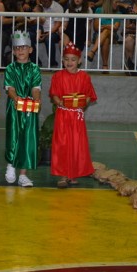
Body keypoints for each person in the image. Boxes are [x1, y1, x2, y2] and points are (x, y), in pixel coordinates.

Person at [49, 42, 97, 188]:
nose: (69, 62)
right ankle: (63, 175)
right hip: (63, 116)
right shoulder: (58, 76)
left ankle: (73, 173)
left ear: (79, 61)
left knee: (77, 144)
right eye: (66, 59)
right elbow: (54, 94)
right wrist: (59, 102)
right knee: (62, 144)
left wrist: (84, 104)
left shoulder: (84, 77)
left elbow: (88, 95)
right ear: (62, 60)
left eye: (73, 59)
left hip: (77, 117)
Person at [4, 30, 42, 187]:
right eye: (17, 48)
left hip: (29, 108)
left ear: (30, 50)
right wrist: (15, 98)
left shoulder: (34, 69)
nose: (20, 51)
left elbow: (35, 87)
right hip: (14, 108)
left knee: (28, 138)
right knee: (13, 136)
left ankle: (23, 174)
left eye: (24, 47)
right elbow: (10, 88)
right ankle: (11, 165)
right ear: (13, 51)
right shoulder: (10, 68)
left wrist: (36, 98)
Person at [87, 0, 121, 72]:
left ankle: (92, 52)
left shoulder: (118, 13)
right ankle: (105, 65)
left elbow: (115, 27)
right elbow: (96, 27)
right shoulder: (99, 10)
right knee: (105, 39)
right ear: (109, 2)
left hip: (113, 36)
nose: (118, 4)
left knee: (106, 31)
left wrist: (103, 26)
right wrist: (108, 26)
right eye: (116, 2)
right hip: (98, 34)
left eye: (118, 2)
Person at [29, 0, 63, 67]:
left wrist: (48, 33)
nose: (44, 3)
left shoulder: (58, 7)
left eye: (46, 1)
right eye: (42, 1)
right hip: (39, 31)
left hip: (53, 32)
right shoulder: (39, 7)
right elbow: (32, 21)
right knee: (28, 36)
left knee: (49, 38)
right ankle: (36, 63)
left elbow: (58, 24)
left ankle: (52, 64)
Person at [0, 0, 24, 66]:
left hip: (17, 29)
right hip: (4, 30)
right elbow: (3, 21)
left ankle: (16, 63)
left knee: (18, 40)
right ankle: (1, 63)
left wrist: (21, 21)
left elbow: (22, 17)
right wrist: (16, 19)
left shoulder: (18, 4)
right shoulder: (1, 5)